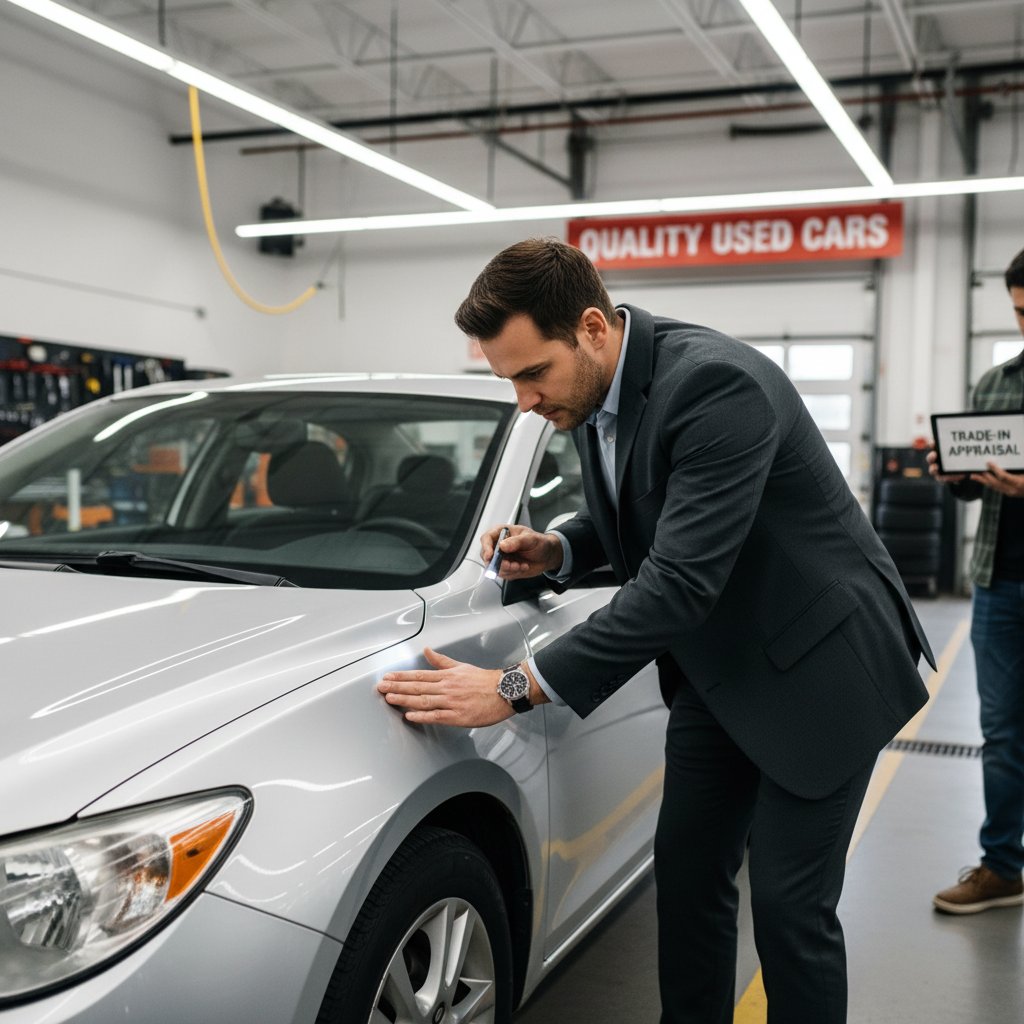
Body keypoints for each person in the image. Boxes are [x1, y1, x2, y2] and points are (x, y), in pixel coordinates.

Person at [377, 238, 934, 1024]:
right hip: (722, 668)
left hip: (820, 668)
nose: (525, 403)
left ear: (594, 328)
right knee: (689, 873)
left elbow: (677, 583)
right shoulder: (595, 387)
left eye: (533, 374)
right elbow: (649, 505)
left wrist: (512, 687)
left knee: (787, 905)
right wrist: (564, 545)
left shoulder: (714, 386)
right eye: (509, 381)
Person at [929, 247, 1024, 914]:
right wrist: (957, 476)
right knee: (1003, 734)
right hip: (1000, 585)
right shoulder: (996, 385)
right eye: (1020, 313)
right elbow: (976, 490)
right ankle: (1003, 866)